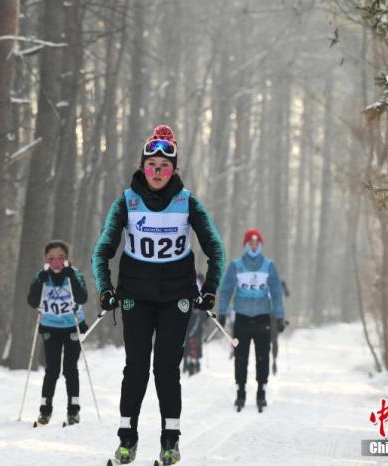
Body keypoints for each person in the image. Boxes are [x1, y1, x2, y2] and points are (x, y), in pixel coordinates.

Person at [92, 124, 225, 465]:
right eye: (151, 164)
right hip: (135, 295)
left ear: (174, 170)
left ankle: (170, 441)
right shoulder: (126, 201)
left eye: (165, 166)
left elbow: (216, 249)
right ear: (142, 166)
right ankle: (126, 439)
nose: (157, 171)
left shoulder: (188, 202)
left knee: (166, 368)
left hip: (175, 298)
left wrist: (208, 290)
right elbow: (102, 249)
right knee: (135, 366)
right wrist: (105, 289)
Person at [217, 229, 285, 412]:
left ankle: (261, 391)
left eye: (257, 244)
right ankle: (240, 391)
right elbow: (225, 291)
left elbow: (277, 292)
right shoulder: (236, 266)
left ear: (261, 245)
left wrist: (279, 316)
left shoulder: (269, 266)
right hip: (242, 319)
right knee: (241, 357)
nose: (254, 247)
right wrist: (221, 313)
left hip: (262, 318)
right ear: (245, 245)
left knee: (263, 357)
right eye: (250, 244)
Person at [27, 240, 89, 426]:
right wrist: (40, 281)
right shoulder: (41, 276)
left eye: (61, 258)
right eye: (52, 258)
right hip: (50, 328)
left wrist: (71, 276)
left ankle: (73, 410)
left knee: (70, 369)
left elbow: (82, 298)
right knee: (52, 369)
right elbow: (32, 301)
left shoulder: (74, 274)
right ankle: (45, 410)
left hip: (71, 327)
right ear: (46, 259)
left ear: (67, 259)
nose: (56, 262)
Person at [183, 272, 208, 376]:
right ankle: (189, 361)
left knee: (193, 338)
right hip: (190, 313)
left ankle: (193, 361)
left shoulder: (198, 280)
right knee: (189, 338)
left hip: (196, 313)